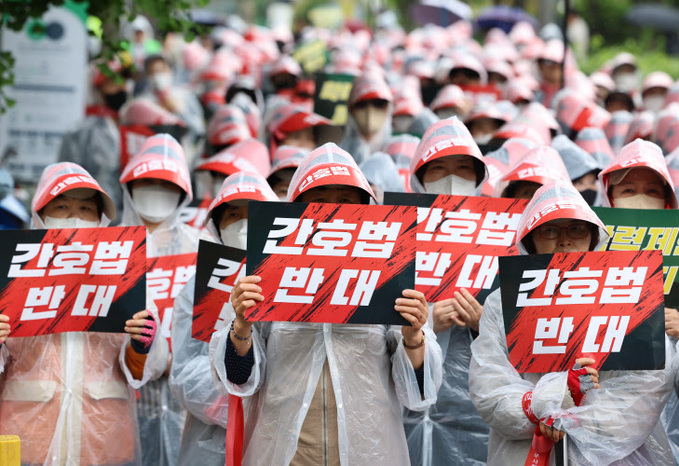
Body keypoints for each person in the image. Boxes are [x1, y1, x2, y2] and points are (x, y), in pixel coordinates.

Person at [209, 142, 442, 465]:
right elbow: (238, 381)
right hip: (287, 455)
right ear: (295, 210)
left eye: (345, 201)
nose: (332, 212)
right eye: (318, 201)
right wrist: (241, 326)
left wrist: (414, 338)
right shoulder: (264, 276)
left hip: (368, 454)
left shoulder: (389, 276)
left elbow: (417, 395)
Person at [469, 180, 675, 465]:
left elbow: (647, 387)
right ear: (531, 240)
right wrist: (548, 403)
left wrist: (569, 420)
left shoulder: (628, 292)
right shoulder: (501, 302)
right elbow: (489, 388)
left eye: (576, 229)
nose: (564, 240)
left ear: (593, 237)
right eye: (550, 230)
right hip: (524, 452)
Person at [0, 162, 167, 465]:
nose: (74, 216)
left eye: (85, 208)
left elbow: (146, 368)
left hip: (102, 437)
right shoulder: (12, 272)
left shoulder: (124, 273)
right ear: (39, 215)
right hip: (27, 434)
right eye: (61, 205)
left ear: (100, 218)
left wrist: (142, 344)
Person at [169, 171, 278, 466]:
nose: (244, 223)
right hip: (213, 444)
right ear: (217, 225)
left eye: (254, 212)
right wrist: (241, 397)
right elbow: (183, 372)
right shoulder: (198, 288)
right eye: (233, 214)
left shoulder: (295, 282)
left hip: (279, 438)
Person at [402, 117, 491, 465]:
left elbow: (528, 337)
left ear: (479, 178)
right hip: (404, 409)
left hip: (477, 416)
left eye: (463, 169)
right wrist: (422, 326)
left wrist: (485, 322)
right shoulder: (393, 238)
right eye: (438, 168)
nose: (452, 179)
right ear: (419, 178)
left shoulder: (504, 239)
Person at [119, 134, 200, 466]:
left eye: (166, 184)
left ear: (182, 193)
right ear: (130, 187)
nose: (155, 191)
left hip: (188, 402)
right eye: (147, 182)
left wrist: (175, 361)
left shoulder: (201, 246)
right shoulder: (108, 249)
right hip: (122, 397)